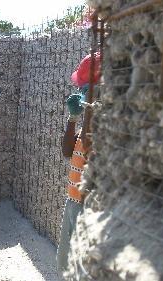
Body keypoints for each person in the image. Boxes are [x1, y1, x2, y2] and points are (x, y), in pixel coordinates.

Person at [57, 52, 101, 275]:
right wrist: (73, 117)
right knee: (66, 263)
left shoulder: (102, 125)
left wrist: (89, 109)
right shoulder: (87, 123)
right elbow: (67, 150)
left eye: (85, 87)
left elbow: (90, 144)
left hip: (88, 206)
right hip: (73, 200)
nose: (81, 91)